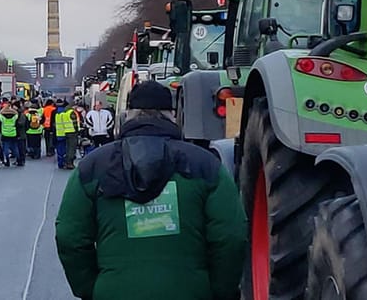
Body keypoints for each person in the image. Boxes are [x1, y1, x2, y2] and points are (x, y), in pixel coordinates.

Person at [55, 81, 247, 300]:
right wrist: (220, 290)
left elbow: (69, 237)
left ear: (128, 114)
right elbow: (231, 236)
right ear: (173, 115)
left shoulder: (91, 168)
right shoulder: (206, 165)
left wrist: (91, 288)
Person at [53, 99, 79, 170]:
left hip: (62, 133)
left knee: (64, 148)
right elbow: (74, 123)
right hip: (72, 132)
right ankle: (69, 163)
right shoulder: (70, 112)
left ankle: (63, 162)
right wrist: (77, 131)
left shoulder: (60, 113)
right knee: (71, 148)